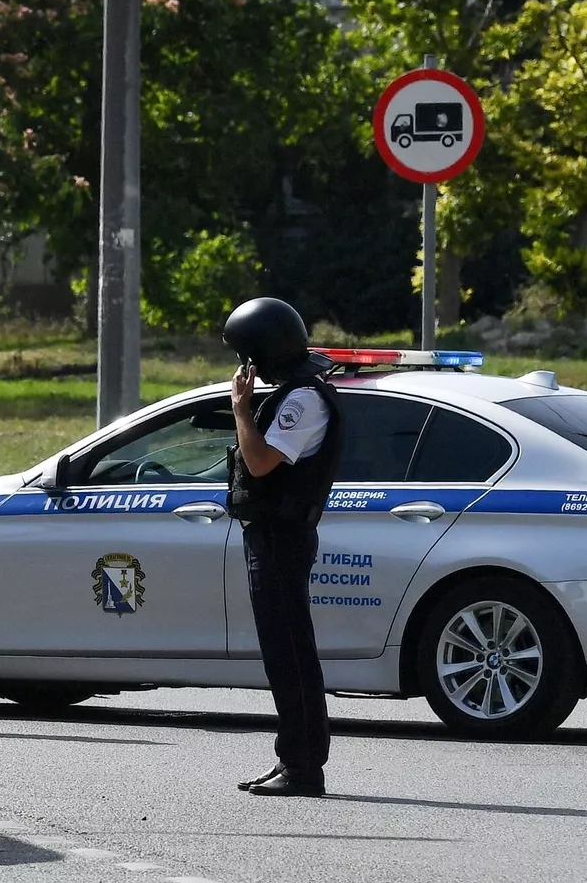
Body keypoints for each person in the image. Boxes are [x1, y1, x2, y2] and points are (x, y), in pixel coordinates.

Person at [223, 297, 345, 798]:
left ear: (263, 352)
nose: (242, 366)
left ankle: (302, 767)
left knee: (291, 652)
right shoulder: (292, 394)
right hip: (271, 533)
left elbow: (260, 463)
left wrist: (240, 410)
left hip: (281, 535)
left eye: (246, 354)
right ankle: (292, 760)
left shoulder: (303, 400)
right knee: (283, 651)